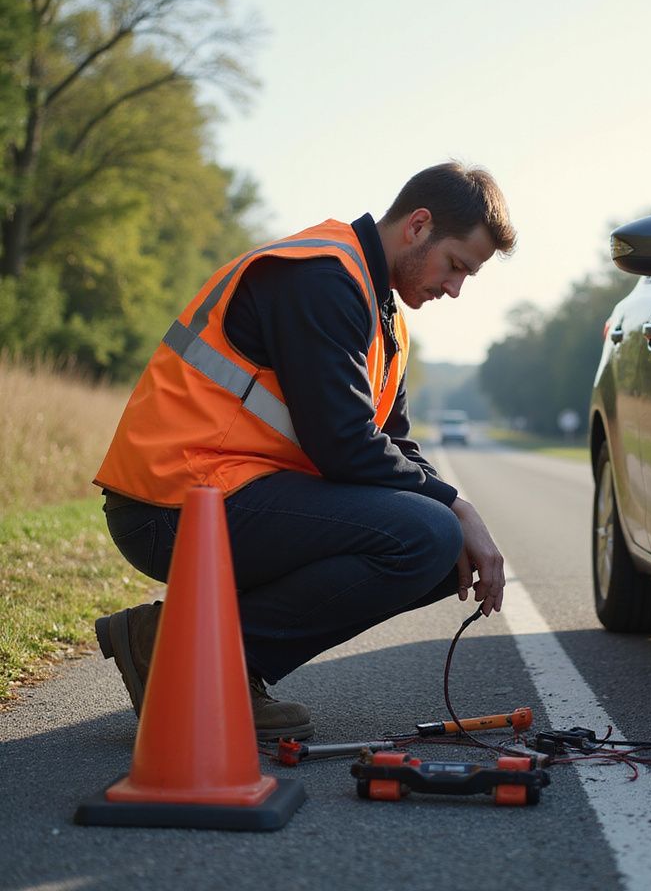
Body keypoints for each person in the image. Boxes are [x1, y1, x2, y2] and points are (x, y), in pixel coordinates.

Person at [93, 161, 516, 741]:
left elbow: (393, 442)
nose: (455, 287)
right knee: (433, 533)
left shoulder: (380, 309)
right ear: (418, 226)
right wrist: (456, 508)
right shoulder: (321, 275)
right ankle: (196, 658)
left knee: (446, 546)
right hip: (170, 504)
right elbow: (344, 445)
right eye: (456, 265)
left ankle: (201, 652)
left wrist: (455, 507)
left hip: (235, 494)